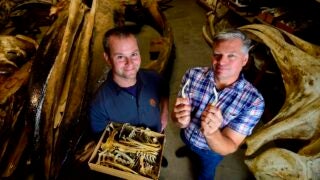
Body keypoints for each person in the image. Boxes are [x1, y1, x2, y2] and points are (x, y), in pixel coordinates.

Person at [171, 29, 265, 179]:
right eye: (217, 55)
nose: (221, 62)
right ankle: (190, 149)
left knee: (205, 174)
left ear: (245, 60)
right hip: (186, 135)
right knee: (189, 145)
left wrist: (212, 133)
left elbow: (229, 146)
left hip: (210, 152)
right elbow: (178, 118)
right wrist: (178, 120)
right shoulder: (192, 75)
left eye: (231, 56)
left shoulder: (253, 102)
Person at [89, 26, 169, 166]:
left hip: (156, 139)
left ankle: (158, 157)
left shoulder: (153, 78)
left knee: (157, 157)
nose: (130, 63)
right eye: (120, 57)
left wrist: (164, 112)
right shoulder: (98, 105)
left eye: (134, 54)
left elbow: (164, 89)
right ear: (107, 58)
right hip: (129, 154)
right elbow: (103, 141)